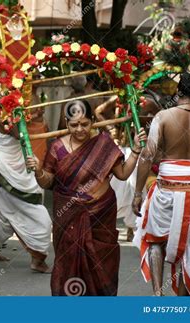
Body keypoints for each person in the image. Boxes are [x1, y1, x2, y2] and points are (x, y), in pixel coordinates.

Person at [26, 99, 147, 296]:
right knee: (68, 263)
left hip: (101, 214)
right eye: (74, 125)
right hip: (68, 215)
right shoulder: (57, 147)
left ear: (92, 121)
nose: (80, 129)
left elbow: (123, 174)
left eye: (85, 124)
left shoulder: (104, 144)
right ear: (66, 123)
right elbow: (47, 183)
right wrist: (39, 170)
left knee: (102, 264)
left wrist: (135, 152)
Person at [132, 73, 190, 296]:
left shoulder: (163, 117)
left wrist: (138, 193)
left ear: (178, 92)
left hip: (167, 186)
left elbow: (148, 155)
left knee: (155, 238)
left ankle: (158, 292)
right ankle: (184, 299)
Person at [0, 120, 52, 273]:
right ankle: (38, 260)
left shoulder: (6, 109)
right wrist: (24, 126)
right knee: (41, 219)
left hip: (6, 172)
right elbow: (15, 132)